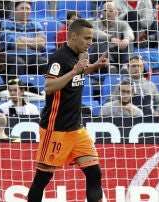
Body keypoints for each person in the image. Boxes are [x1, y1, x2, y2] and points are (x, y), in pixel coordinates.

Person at [27, 19, 109, 202]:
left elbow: (77, 74)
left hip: (76, 129)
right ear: (74, 36)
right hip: (56, 129)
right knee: (42, 179)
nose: (90, 42)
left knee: (94, 173)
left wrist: (93, 67)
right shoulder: (59, 58)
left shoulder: (76, 57)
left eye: (92, 38)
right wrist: (75, 71)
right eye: (87, 38)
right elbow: (49, 87)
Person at [0, 1, 48, 82]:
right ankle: (14, 89)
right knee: (19, 62)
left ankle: (44, 91)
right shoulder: (7, 23)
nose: (25, 11)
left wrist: (20, 39)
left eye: (28, 8)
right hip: (13, 55)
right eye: (22, 8)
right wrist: (33, 42)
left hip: (33, 56)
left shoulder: (36, 24)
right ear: (15, 9)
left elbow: (42, 43)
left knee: (44, 62)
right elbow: (12, 43)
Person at [90, 2, 134, 74]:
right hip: (101, 57)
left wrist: (126, 39)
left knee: (129, 42)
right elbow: (95, 33)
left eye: (110, 11)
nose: (107, 13)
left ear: (116, 13)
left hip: (118, 53)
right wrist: (110, 38)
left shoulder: (122, 23)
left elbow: (130, 33)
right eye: (105, 10)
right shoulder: (95, 23)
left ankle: (125, 65)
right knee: (101, 41)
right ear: (101, 12)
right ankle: (110, 66)